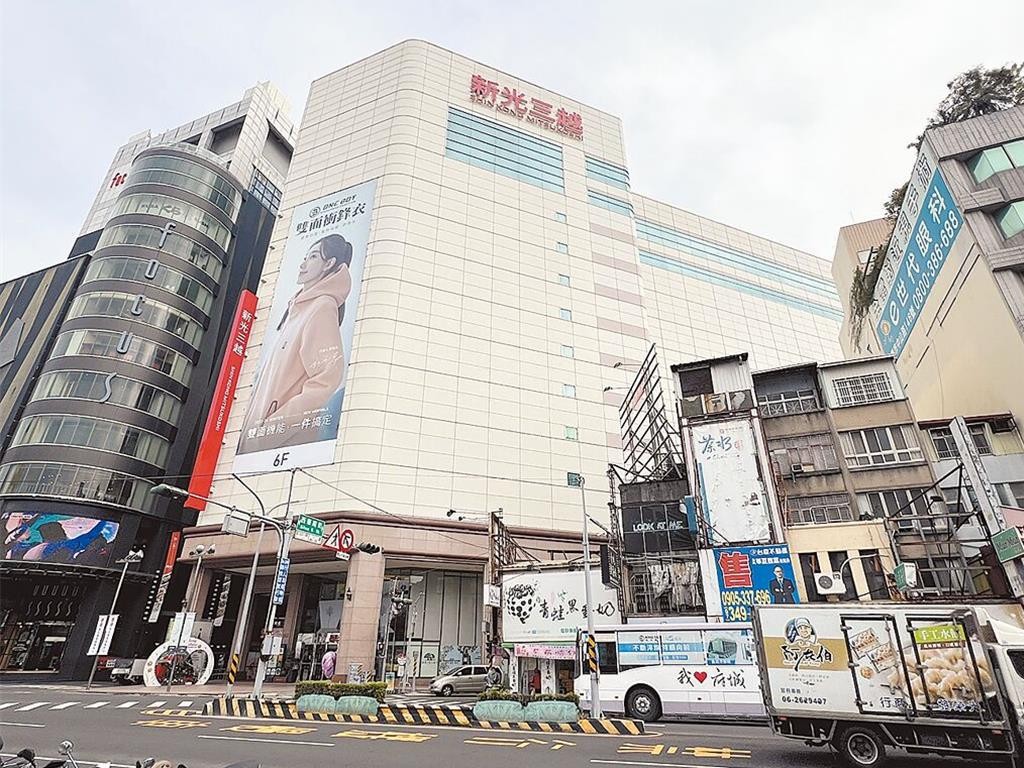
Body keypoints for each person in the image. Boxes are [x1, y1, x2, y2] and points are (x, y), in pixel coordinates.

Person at [240, 234, 354, 453]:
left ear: (329, 263)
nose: (303, 264)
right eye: (305, 257)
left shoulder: (322, 307)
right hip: (260, 444)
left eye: (313, 257)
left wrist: (269, 432)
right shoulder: (298, 308)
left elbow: (327, 379)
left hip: (280, 446)